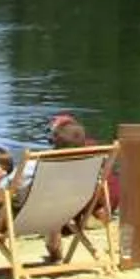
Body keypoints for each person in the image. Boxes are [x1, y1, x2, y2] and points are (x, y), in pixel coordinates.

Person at [39, 111, 116, 264]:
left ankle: (55, 251)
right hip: (92, 198)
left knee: (53, 210)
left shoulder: (54, 159)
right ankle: (109, 231)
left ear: (57, 142)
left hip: (66, 204)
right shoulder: (95, 151)